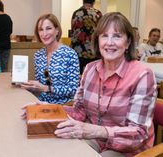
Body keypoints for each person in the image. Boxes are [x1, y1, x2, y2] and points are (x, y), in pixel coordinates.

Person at [23, 12, 157, 157]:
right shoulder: (90, 69)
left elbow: (138, 135)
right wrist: (47, 109)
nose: (109, 42)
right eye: (104, 35)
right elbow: (80, 112)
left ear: (128, 42)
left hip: (127, 148)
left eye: (117, 36)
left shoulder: (143, 74)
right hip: (95, 139)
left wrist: (94, 130)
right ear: (97, 40)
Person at [21, 14, 80, 104]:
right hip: (41, 104)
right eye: (41, 29)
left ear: (57, 30)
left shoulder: (69, 54)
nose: (44, 34)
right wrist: (29, 86)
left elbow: (73, 89)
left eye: (48, 28)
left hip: (63, 106)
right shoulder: (38, 55)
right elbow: (40, 88)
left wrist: (45, 88)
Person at [71, 0, 102, 74]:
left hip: (78, 52)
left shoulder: (76, 13)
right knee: (94, 77)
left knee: (78, 77)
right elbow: (101, 32)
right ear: (93, 2)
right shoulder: (98, 14)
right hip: (93, 51)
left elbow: (73, 31)